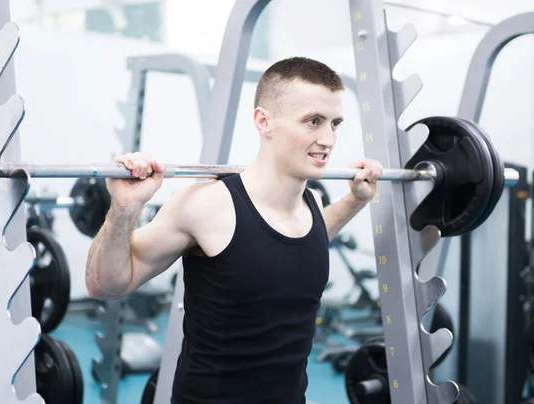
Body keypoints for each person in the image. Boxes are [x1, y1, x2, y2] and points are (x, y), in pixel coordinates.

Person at [85, 56, 383, 403]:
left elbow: (294, 247)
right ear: (263, 121)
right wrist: (124, 209)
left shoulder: (312, 205)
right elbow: (104, 284)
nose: (328, 139)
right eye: (313, 122)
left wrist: (355, 200)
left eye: (335, 123)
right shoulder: (207, 205)